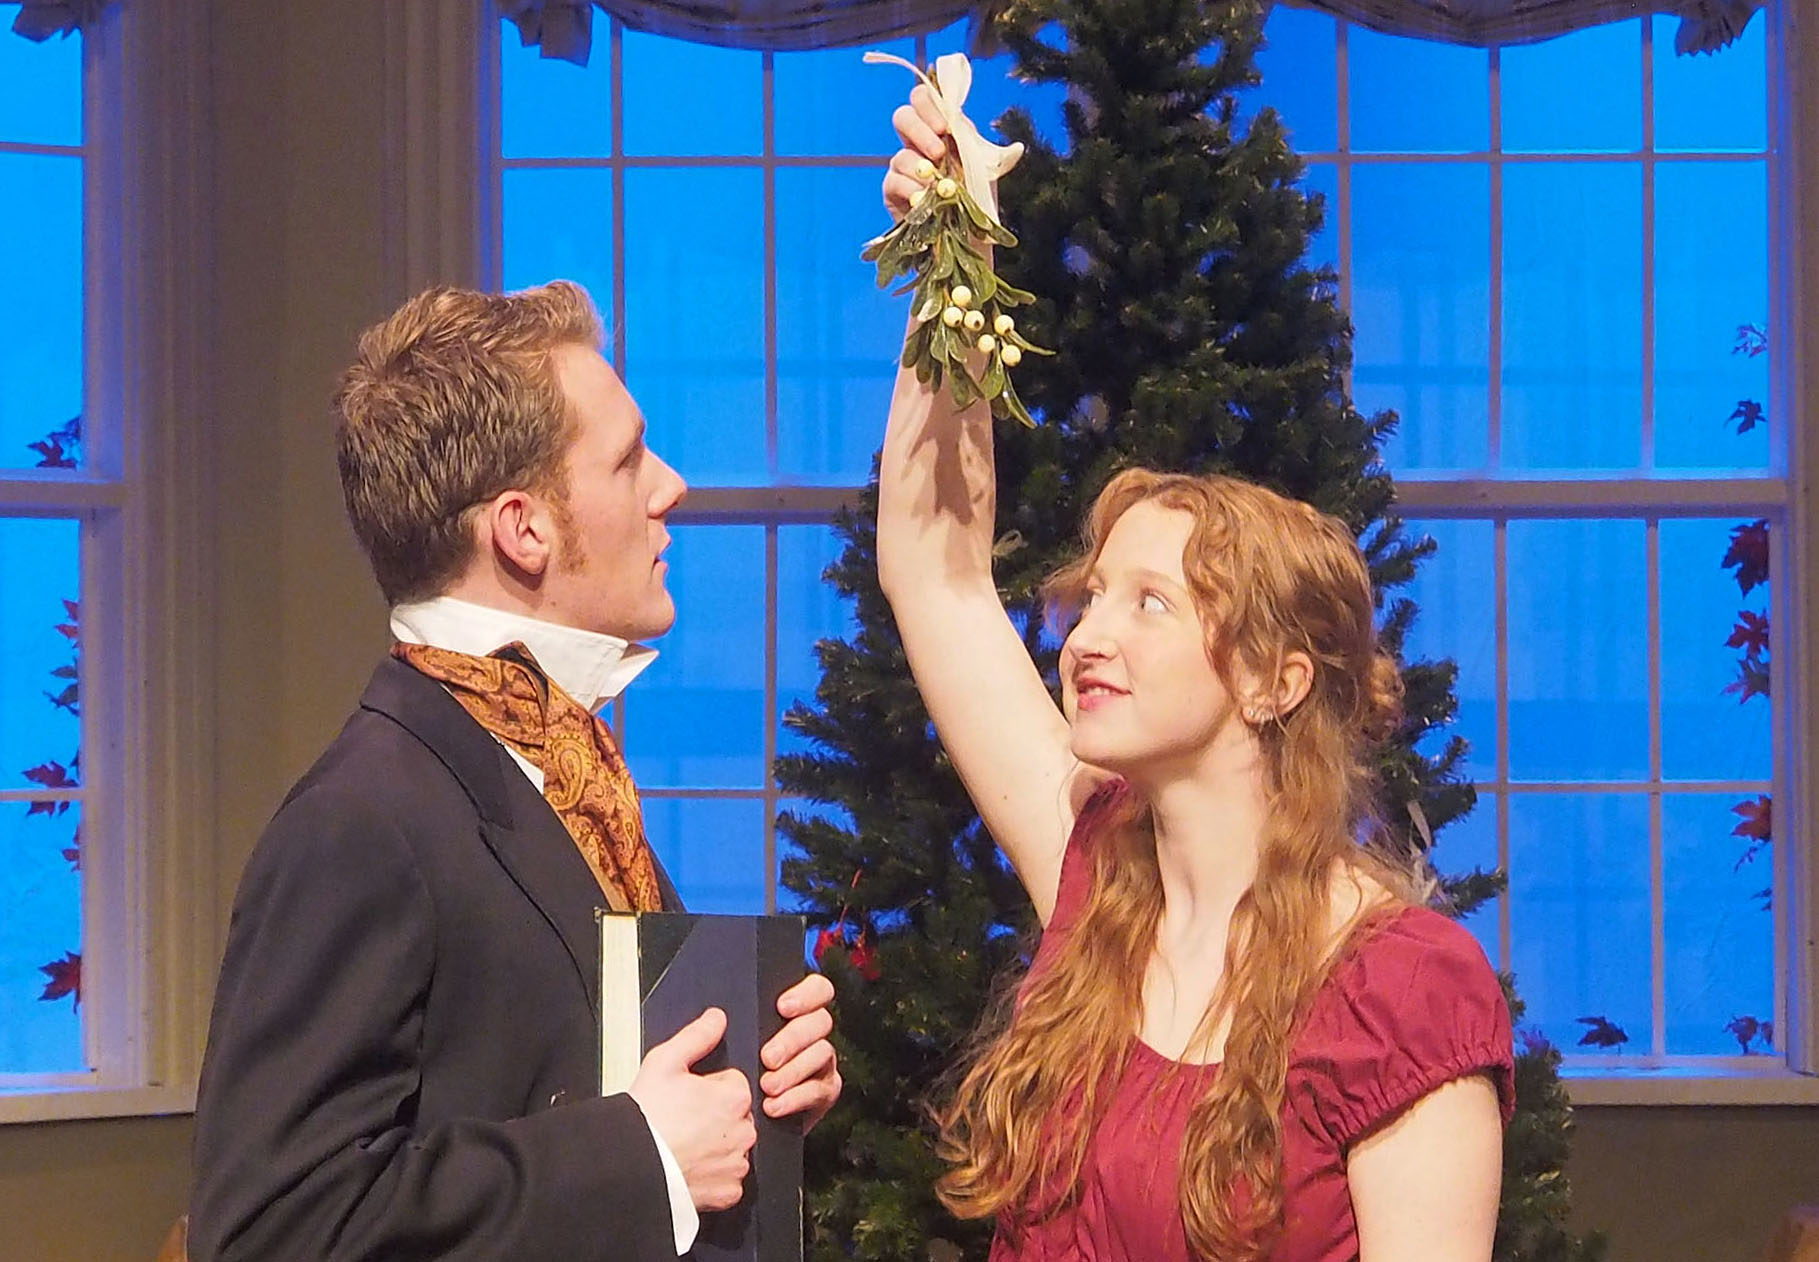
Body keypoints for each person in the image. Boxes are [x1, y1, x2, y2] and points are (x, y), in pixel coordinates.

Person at [877, 90, 1513, 1261]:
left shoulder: (1399, 989)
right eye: (1094, 594)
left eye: (1150, 602)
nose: (1083, 636)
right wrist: (951, 255)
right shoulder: (1093, 871)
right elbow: (936, 567)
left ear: (1274, 680)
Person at [190, 281, 841, 1261]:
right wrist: (642, 1154)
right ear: (523, 528)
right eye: (626, 460)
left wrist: (755, 1078)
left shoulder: (554, 758)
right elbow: (274, 1228)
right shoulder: (360, 822)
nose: (670, 487)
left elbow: (590, 1066)